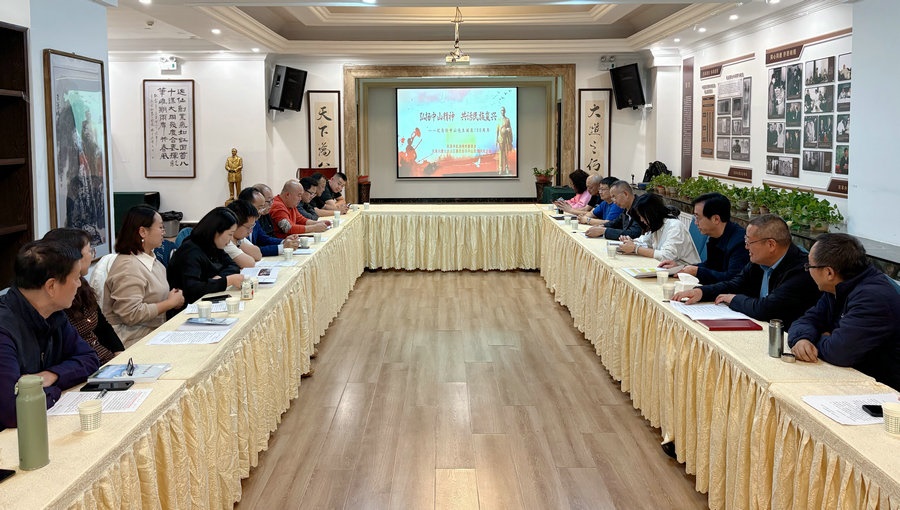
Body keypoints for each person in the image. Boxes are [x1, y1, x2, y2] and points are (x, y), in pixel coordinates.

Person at [0, 240, 100, 429]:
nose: (79, 284)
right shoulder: (4, 330)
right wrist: (55, 390)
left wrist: (52, 375)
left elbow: (89, 358)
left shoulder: (53, 313)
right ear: (51, 286)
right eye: (76, 278)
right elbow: (13, 411)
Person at [787, 234, 900, 390]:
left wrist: (816, 339)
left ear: (829, 273)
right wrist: (803, 339)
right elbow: (806, 320)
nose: (807, 271)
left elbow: (839, 352)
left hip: (884, 390)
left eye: (809, 266)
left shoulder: (873, 297)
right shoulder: (839, 286)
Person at [673, 214, 820, 328]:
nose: (746, 247)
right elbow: (736, 284)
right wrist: (702, 292)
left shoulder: (801, 270)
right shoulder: (759, 261)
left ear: (771, 244)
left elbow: (766, 308)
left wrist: (734, 299)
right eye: (746, 241)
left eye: (750, 242)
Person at [104, 205, 184, 346]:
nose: (164, 232)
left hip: (154, 334)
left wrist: (172, 299)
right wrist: (169, 303)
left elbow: (152, 298)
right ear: (143, 232)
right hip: (133, 341)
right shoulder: (128, 266)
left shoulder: (152, 260)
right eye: (160, 227)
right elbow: (131, 314)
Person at [43, 228, 124, 364]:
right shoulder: (57, 297)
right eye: (89, 251)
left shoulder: (81, 283)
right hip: (86, 366)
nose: (92, 255)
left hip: (105, 358)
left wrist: (120, 354)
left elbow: (103, 327)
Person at [660, 192, 749, 284]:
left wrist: (697, 272)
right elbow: (711, 265)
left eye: (698, 217)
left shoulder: (740, 242)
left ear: (716, 219)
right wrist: (681, 268)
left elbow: (733, 279)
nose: (695, 223)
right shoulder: (715, 236)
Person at [167, 207, 244, 309]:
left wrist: (219, 279)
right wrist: (227, 281)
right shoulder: (190, 251)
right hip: (188, 308)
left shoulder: (213, 245)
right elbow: (193, 289)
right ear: (216, 231)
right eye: (230, 234)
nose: (230, 240)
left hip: (206, 301)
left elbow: (233, 266)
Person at [618, 193, 701, 265]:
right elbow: (645, 241)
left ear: (650, 214)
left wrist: (635, 248)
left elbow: (666, 256)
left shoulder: (675, 226)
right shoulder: (657, 225)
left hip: (686, 273)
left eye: (642, 216)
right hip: (668, 269)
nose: (641, 220)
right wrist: (631, 242)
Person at [239, 187, 300, 257]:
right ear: (247, 206)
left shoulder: (255, 219)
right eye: (259, 208)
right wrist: (282, 247)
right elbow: (251, 251)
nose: (261, 211)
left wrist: (284, 241)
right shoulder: (238, 224)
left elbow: (264, 239)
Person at [224, 199, 262, 268]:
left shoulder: (237, 237)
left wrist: (238, 243)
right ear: (235, 224)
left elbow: (258, 254)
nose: (251, 231)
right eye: (248, 227)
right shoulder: (224, 239)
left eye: (252, 226)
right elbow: (249, 263)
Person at [496, 106, 513, 175]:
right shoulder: (498, 120)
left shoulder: (507, 120)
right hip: (500, 139)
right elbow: (497, 130)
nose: (502, 111)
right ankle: (500, 168)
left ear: (505, 111)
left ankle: (506, 168)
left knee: (506, 154)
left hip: (506, 139)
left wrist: (509, 130)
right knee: (500, 154)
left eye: (503, 110)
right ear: (500, 112)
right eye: (501, 110)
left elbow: (510, 129)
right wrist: (496, 139)